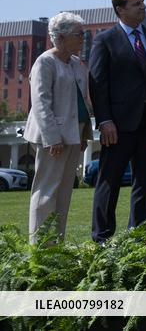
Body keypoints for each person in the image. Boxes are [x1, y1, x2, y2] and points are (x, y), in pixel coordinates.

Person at [89, 0, 146, 242]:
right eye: (136, 3)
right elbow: (97, 84)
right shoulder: (105, 40)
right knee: (109, 181)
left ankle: (139, 234)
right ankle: (102, 238)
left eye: (143, 1)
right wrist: (105, 120)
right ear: (120, 9)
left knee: (144, 181)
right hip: (118, 125)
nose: (143, 6)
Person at [25, 12, 92, 243]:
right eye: (78, 34)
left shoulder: (76, 63)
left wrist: (85, 134)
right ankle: (39, 248)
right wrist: (52, 138)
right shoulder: (45, 61)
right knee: (46, 192)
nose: (83, 38)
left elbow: (82, 100)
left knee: (63, 193)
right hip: (52, 138)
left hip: (73, 136)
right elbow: (40, 103)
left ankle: (57, 246)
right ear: (60, 37)